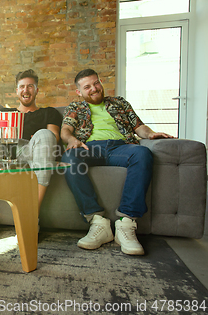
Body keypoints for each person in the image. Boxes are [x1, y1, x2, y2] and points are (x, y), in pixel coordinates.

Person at [60, 68, 174, 255]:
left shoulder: (119, 103)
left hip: (121, 146)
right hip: (91, 148)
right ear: (79, 92)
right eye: (87, 87)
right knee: (69, 158)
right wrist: (72, 140)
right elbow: (65, 130)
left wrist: (151, 134)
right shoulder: (75, 107)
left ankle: (126, 224)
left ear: (100, 82)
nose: (94, 89)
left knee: (143, 153)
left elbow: (139, 127)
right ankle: (98, 222)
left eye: (96, 83)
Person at [0, 69, 62, 240]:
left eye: (30, 86)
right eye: (21, 87)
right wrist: (1, 129)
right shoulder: (7, 113)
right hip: (6, 150)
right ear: (16, 91)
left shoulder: (49, 113)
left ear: (36, 90)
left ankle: (30, 217)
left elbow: (54, 136)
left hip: (33, 150)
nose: (25, 90)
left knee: (45, 134)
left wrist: (40, 137)